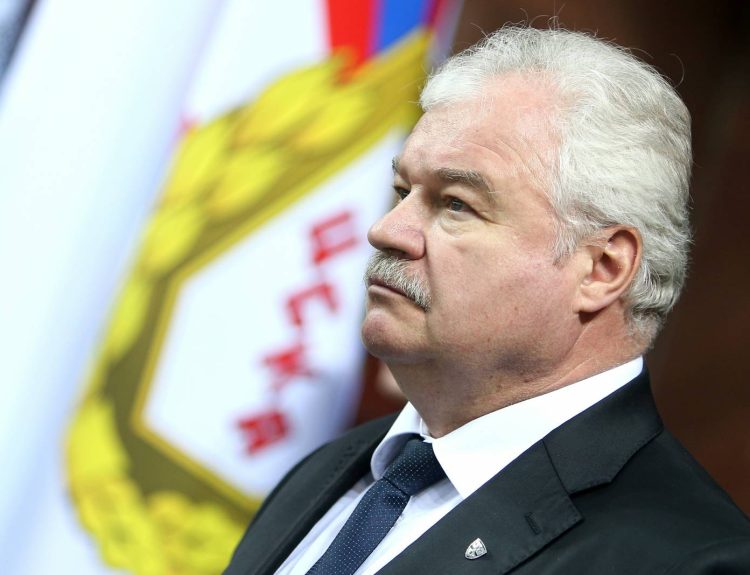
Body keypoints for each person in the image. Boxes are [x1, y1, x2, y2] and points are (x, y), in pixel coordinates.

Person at [225, 26, 750, 574]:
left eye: (456, 204)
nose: (386, 230)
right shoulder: (328, 472)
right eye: (403, 191)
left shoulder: (687, 561)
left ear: (602, 269)